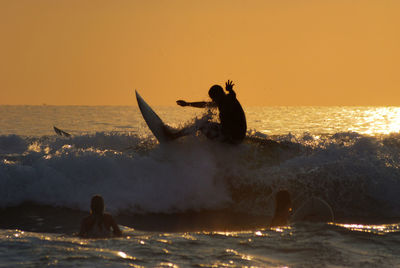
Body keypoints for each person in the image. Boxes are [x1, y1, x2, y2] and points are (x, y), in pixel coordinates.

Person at [167, 80, 247, 144]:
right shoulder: (221, 101)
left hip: (232, 137)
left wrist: (231, 90)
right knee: (206, 124)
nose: (212, 100)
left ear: (218, 95)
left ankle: (173, 136)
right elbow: (204, 104)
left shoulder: (228, 99)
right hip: (236, 136)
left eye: (213, 98)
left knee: (201, 124)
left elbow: (232, 96)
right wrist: (187, 104)